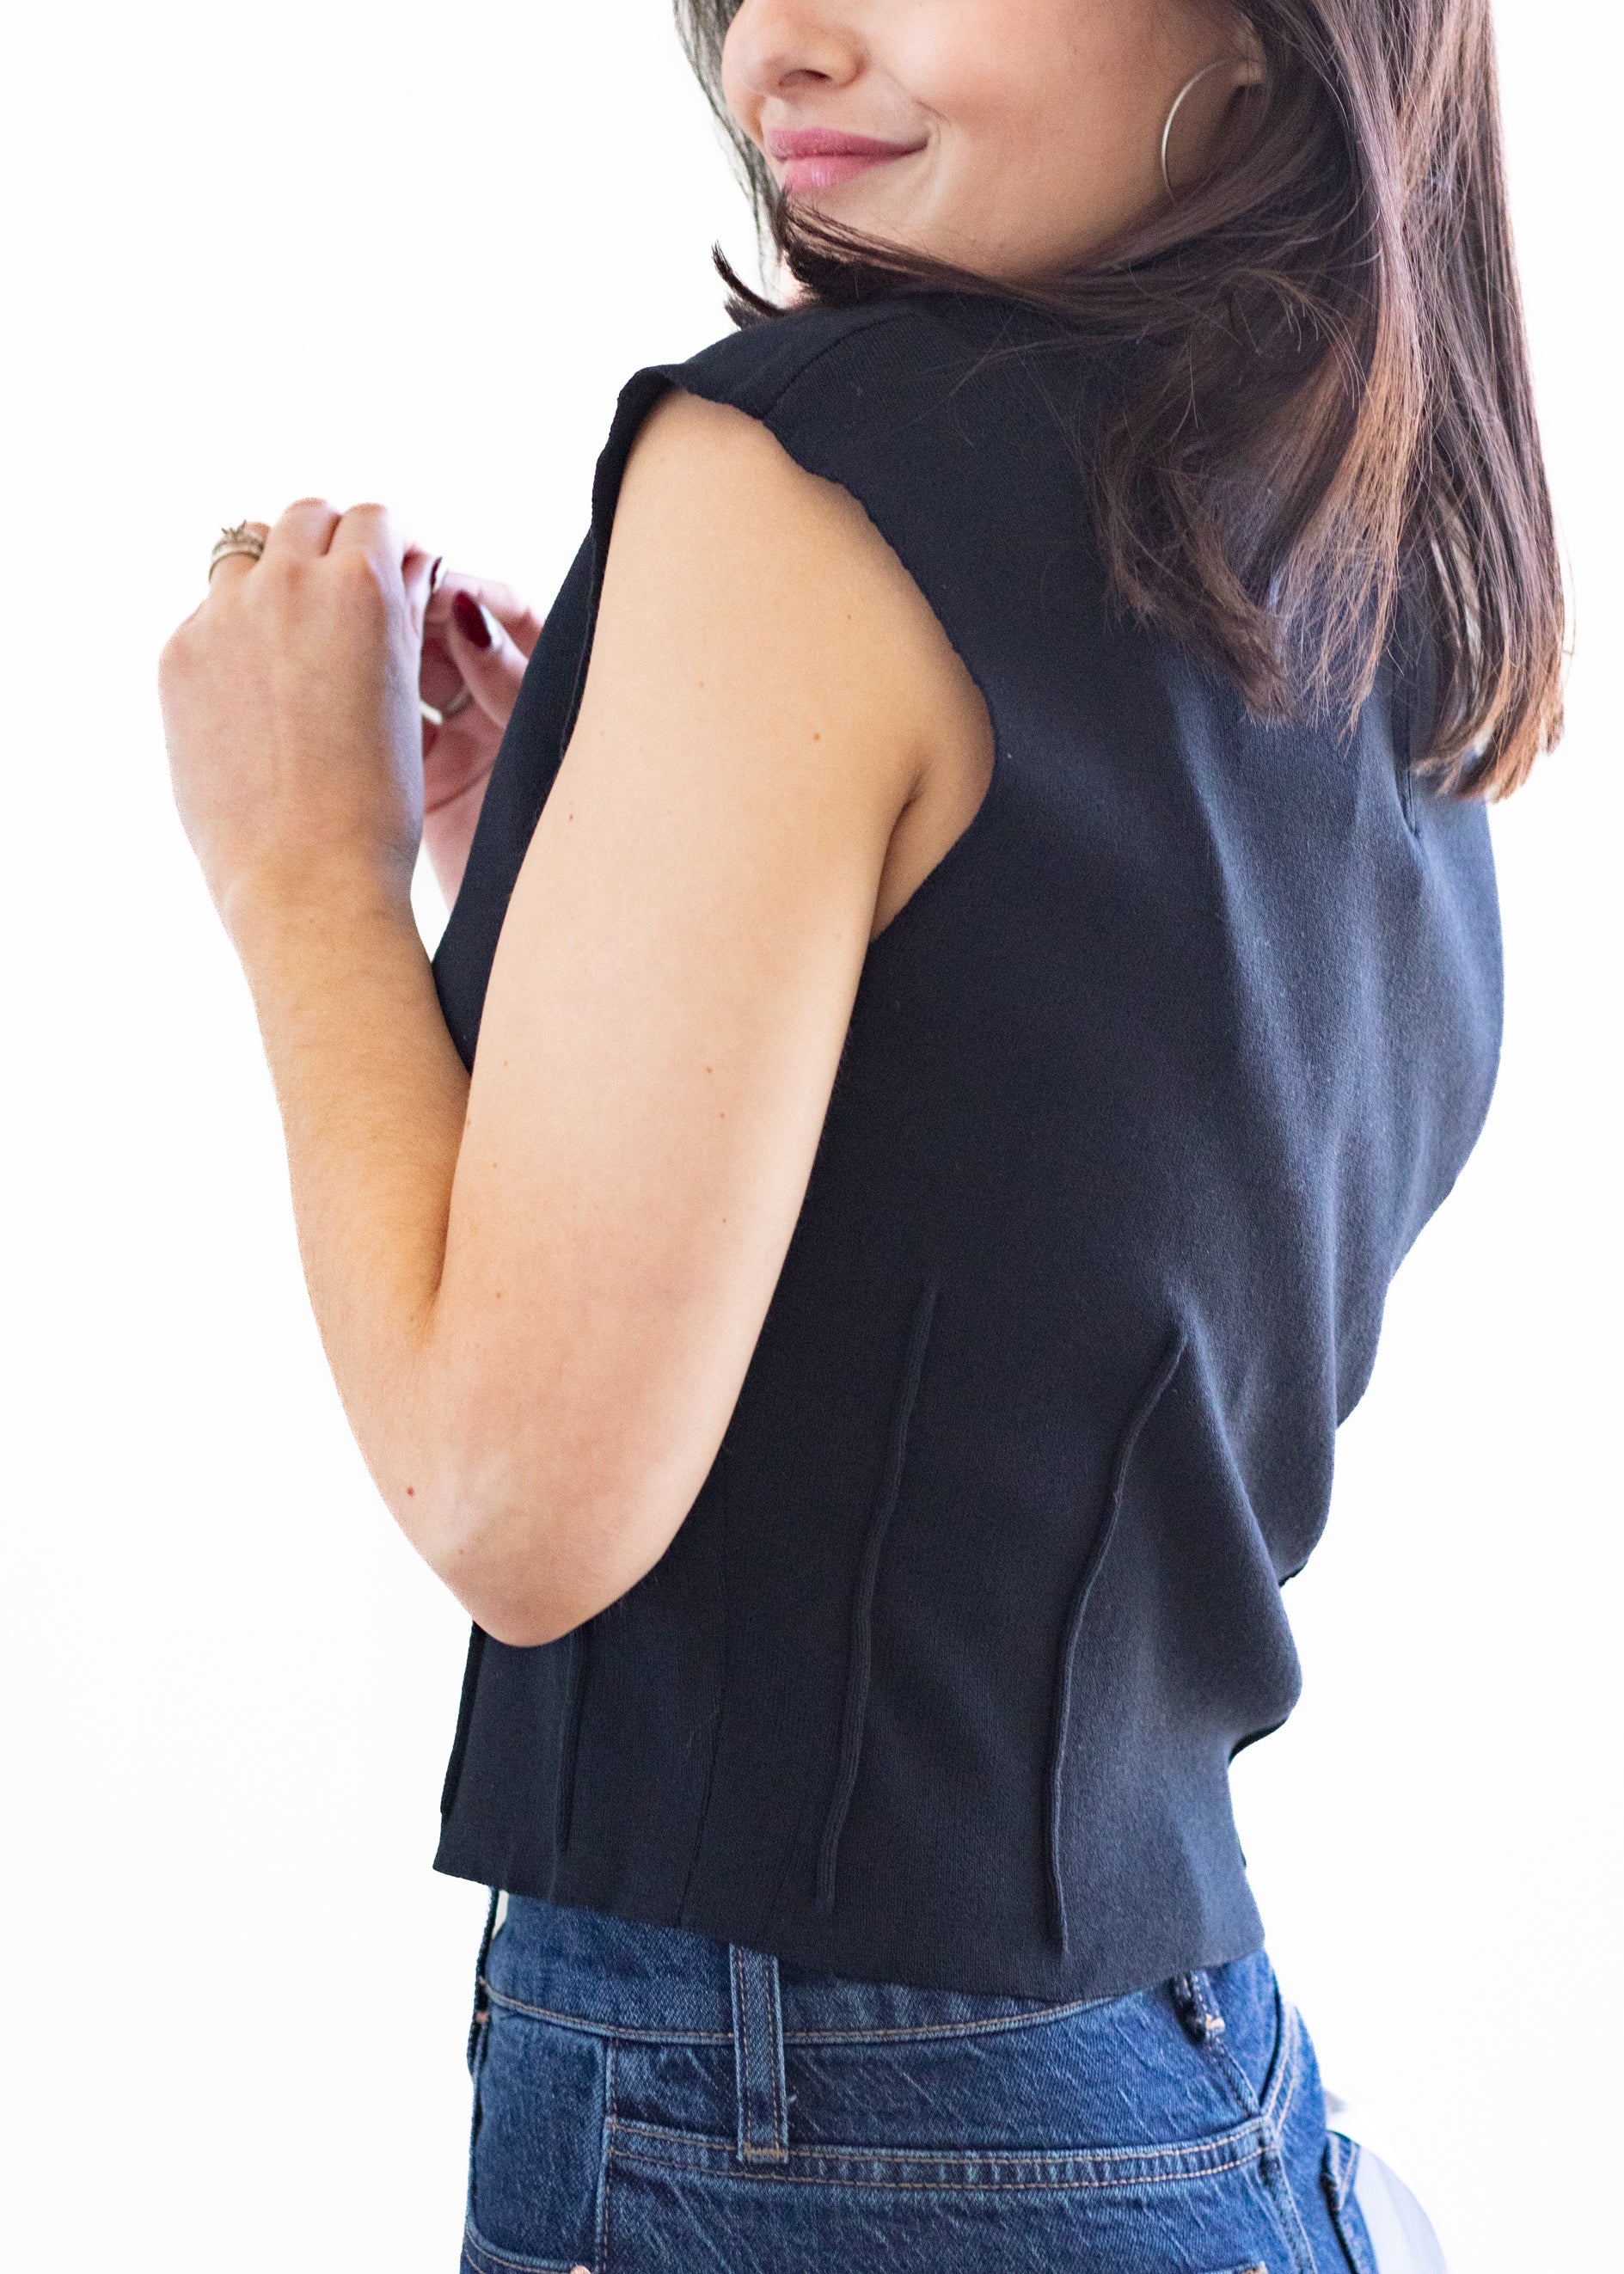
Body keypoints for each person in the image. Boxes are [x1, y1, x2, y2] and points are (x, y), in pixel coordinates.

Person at [159, 0, 1562, 2266]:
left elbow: (515, 1496)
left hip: (806, 2115)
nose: (776, 50)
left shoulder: (804, 465)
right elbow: (1020, 1213)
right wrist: (542, 881)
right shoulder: (1353, 532)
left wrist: (294, 874)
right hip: (1180, 2068)